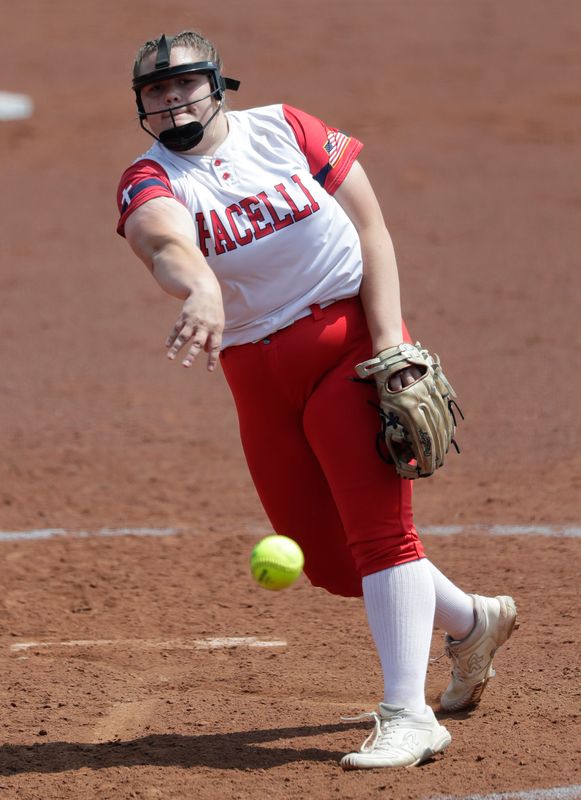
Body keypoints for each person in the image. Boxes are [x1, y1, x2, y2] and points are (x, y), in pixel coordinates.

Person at [116, 30, 518, 770]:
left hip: (347, 347)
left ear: (217, 85)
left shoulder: (285, 129)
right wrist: (199, 285)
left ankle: (409, 715)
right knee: (332, 565)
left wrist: (389, 342)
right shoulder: (150, 175)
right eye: (156, 92)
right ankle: (471, 620)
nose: (172, 101)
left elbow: (371, 230)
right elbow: (161, 239)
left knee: (379, 536)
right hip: (256, 374)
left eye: (185, 85)